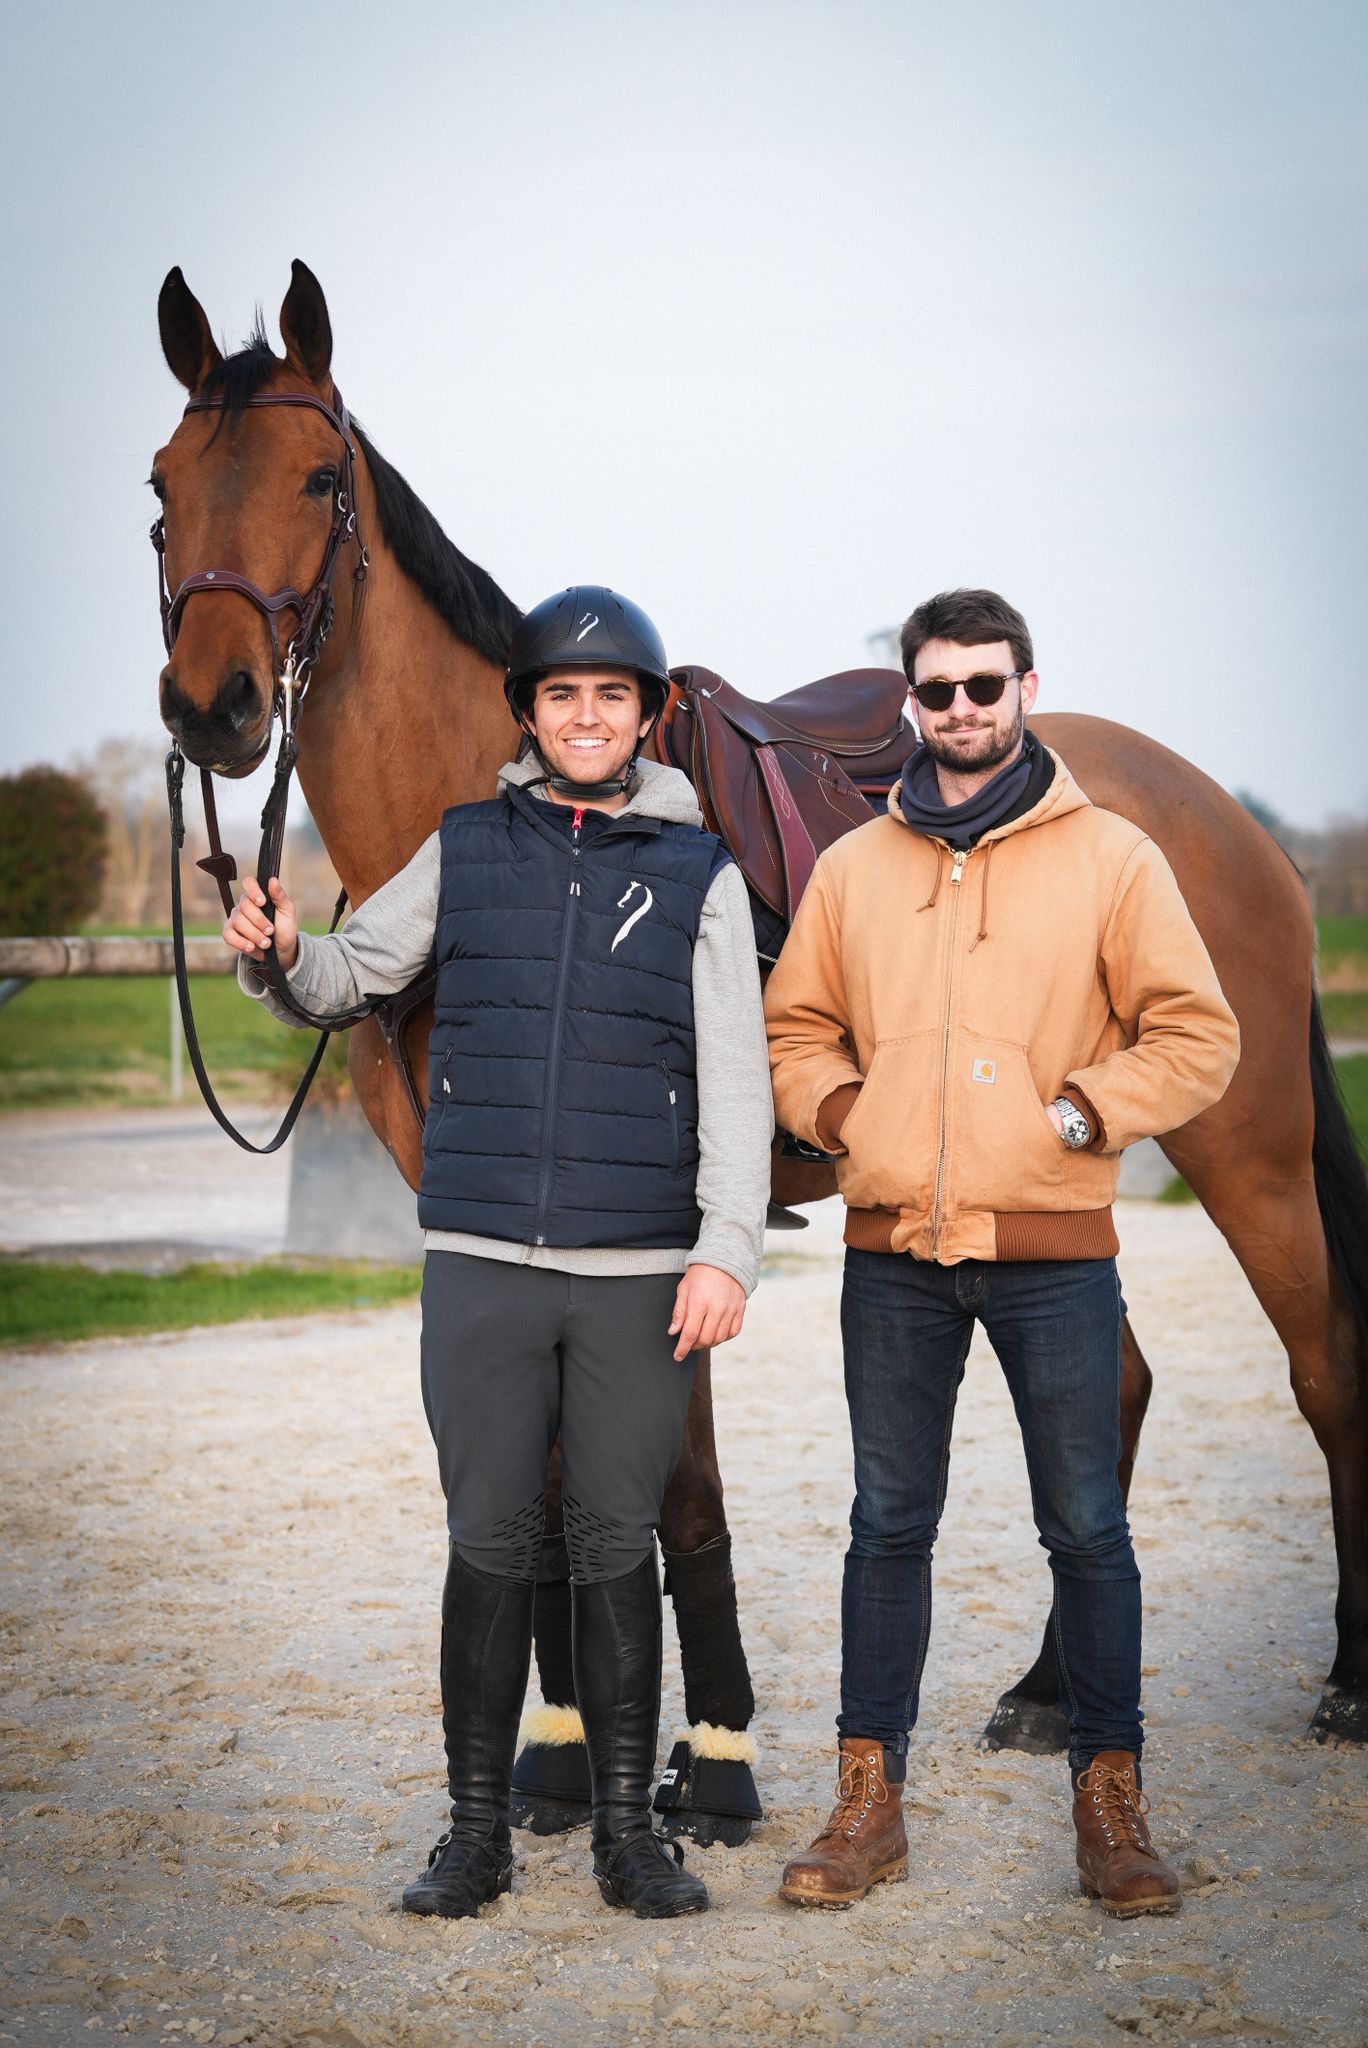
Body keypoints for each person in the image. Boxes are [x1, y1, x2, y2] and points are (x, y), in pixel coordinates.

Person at [222, 586, 773, 1921]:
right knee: (488, 1540)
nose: (586, 717)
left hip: (636, 1274)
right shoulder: (464, 849)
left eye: (610, 696)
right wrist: (280, 952)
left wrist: (727, 1253)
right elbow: (348, 976)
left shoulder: (702, 877)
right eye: (561, 695)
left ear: (644, 716)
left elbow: (738, 1084)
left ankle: (628, 1839)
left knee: (615, 1541)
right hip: (481, 1265)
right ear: (528, 713)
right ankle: (474, 1836)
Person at [763, 587, 1239, 1916]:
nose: (962, 707)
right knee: (885, 1527)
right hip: (894, 1255)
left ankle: (1111, 1808)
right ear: (910, 702)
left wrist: (1082, 1112)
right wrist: (846, 1118)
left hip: (1055, 1253)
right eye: (939, 689)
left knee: (1086, 1529)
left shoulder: (1115, 859)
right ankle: (868, 1803)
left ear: (1026, 687)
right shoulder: (856, 868)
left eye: (986, 684)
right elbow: (793, 1030)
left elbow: (1196, 1033)